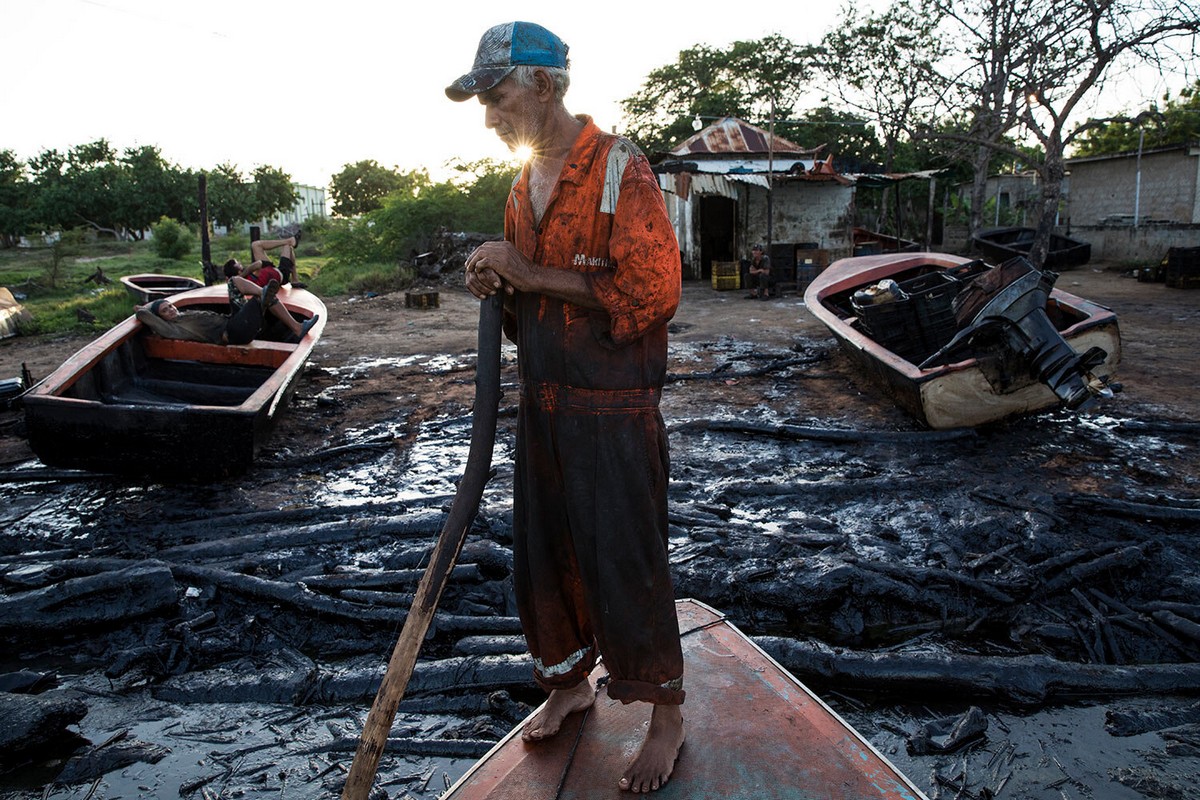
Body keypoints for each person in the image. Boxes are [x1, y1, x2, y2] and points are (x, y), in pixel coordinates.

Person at [448, 21, 685, 794]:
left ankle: (666, 717)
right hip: (543, 405)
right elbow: (527, 309)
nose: (489, 116)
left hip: (613, 409)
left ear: (543, 86)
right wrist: (501, 283)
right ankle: (570, 684)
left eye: (498, 95)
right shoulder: (523, 186)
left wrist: (530, 273)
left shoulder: (622, 169)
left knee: (627, 561)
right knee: (545, 561)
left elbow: (652, 294)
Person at [224, 232, 303, 287]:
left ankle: (290, 240)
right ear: (237, 270)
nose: (240, 262)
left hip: (269, 269)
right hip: (280, 275)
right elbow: (258, 264)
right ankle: (295, 279)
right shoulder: (245, 280)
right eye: (238, 263)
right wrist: (242, 275)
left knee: (255, 245)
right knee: (287, 246)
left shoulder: (243, 276)